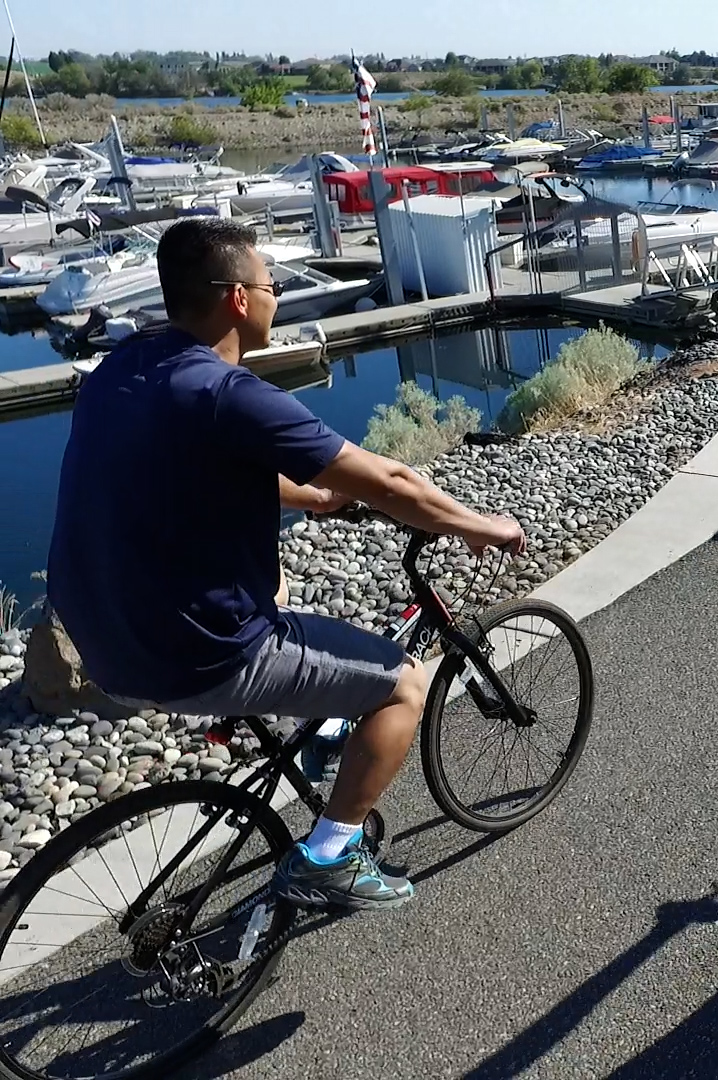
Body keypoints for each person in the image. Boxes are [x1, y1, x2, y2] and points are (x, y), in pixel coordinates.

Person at [47, 219, 526, 911]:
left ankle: (328, 730)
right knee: (403, 686)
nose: (277, 296)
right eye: (271, 285)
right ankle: (327, 856)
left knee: (293, 607)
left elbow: (206, 466)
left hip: (104, 639)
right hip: (197, 655)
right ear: (239, 298)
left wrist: (317, 498)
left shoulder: (126, 366)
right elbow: (392, 482)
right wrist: (481, 525)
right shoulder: (227, 392)